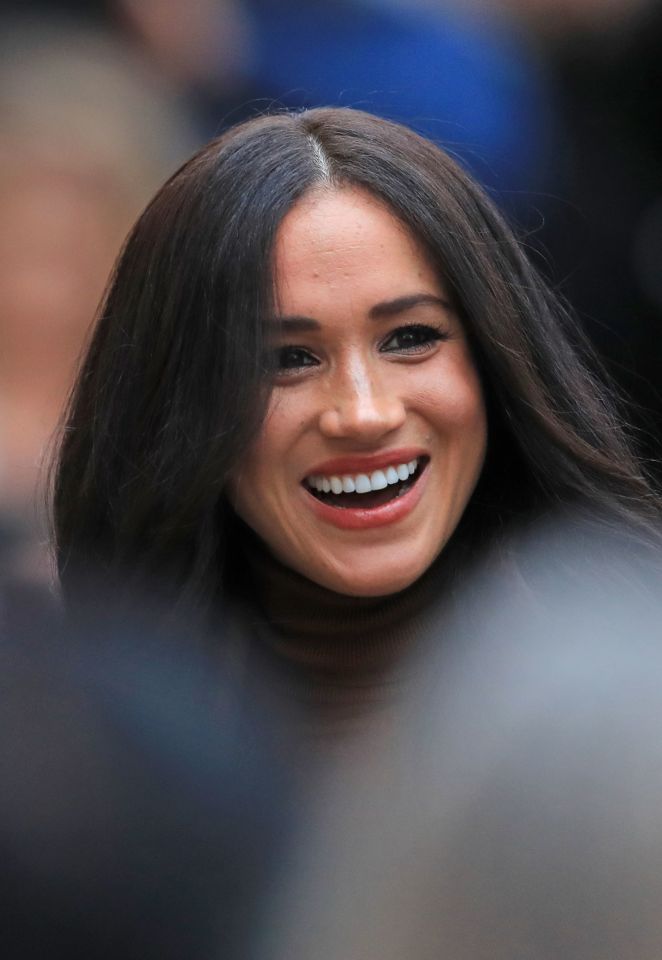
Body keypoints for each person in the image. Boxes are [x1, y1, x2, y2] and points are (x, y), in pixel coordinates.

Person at [51, 107, 661, 740]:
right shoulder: (74, 751)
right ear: (180, 403)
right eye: (287, 359)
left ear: (496, 359)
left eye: (410, 338)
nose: (364, 414)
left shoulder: (635, 699)